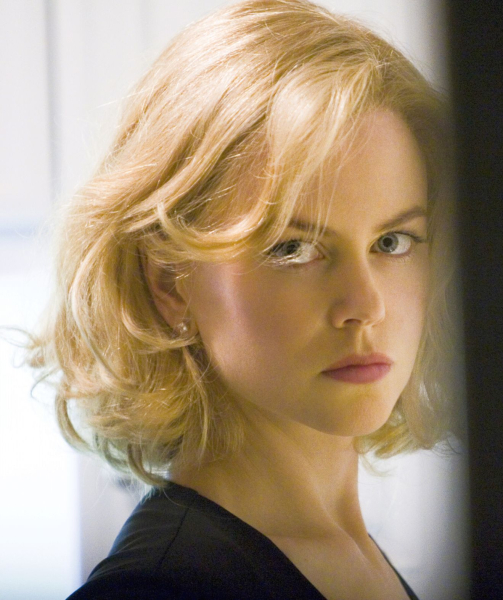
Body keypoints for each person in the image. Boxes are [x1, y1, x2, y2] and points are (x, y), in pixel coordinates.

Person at [27, 1, 454, 598]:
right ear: (170, 283)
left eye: (392, 241)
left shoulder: (352, 555)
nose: (365, 305)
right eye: (294, 248)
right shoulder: (156, 590)